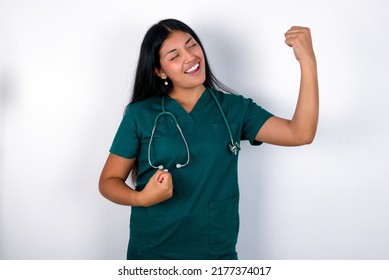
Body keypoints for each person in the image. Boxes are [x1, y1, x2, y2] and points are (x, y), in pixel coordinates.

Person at [99, 18, 318, 260]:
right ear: (160, 71)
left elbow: (300, 133)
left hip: (215, 253)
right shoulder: (140, 114)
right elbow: (109, 181)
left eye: (192, 45)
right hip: (153, 251)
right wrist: (141, 198)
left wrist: (307, 62)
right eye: (174, 56)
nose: (190, 57)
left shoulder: (235, 109)